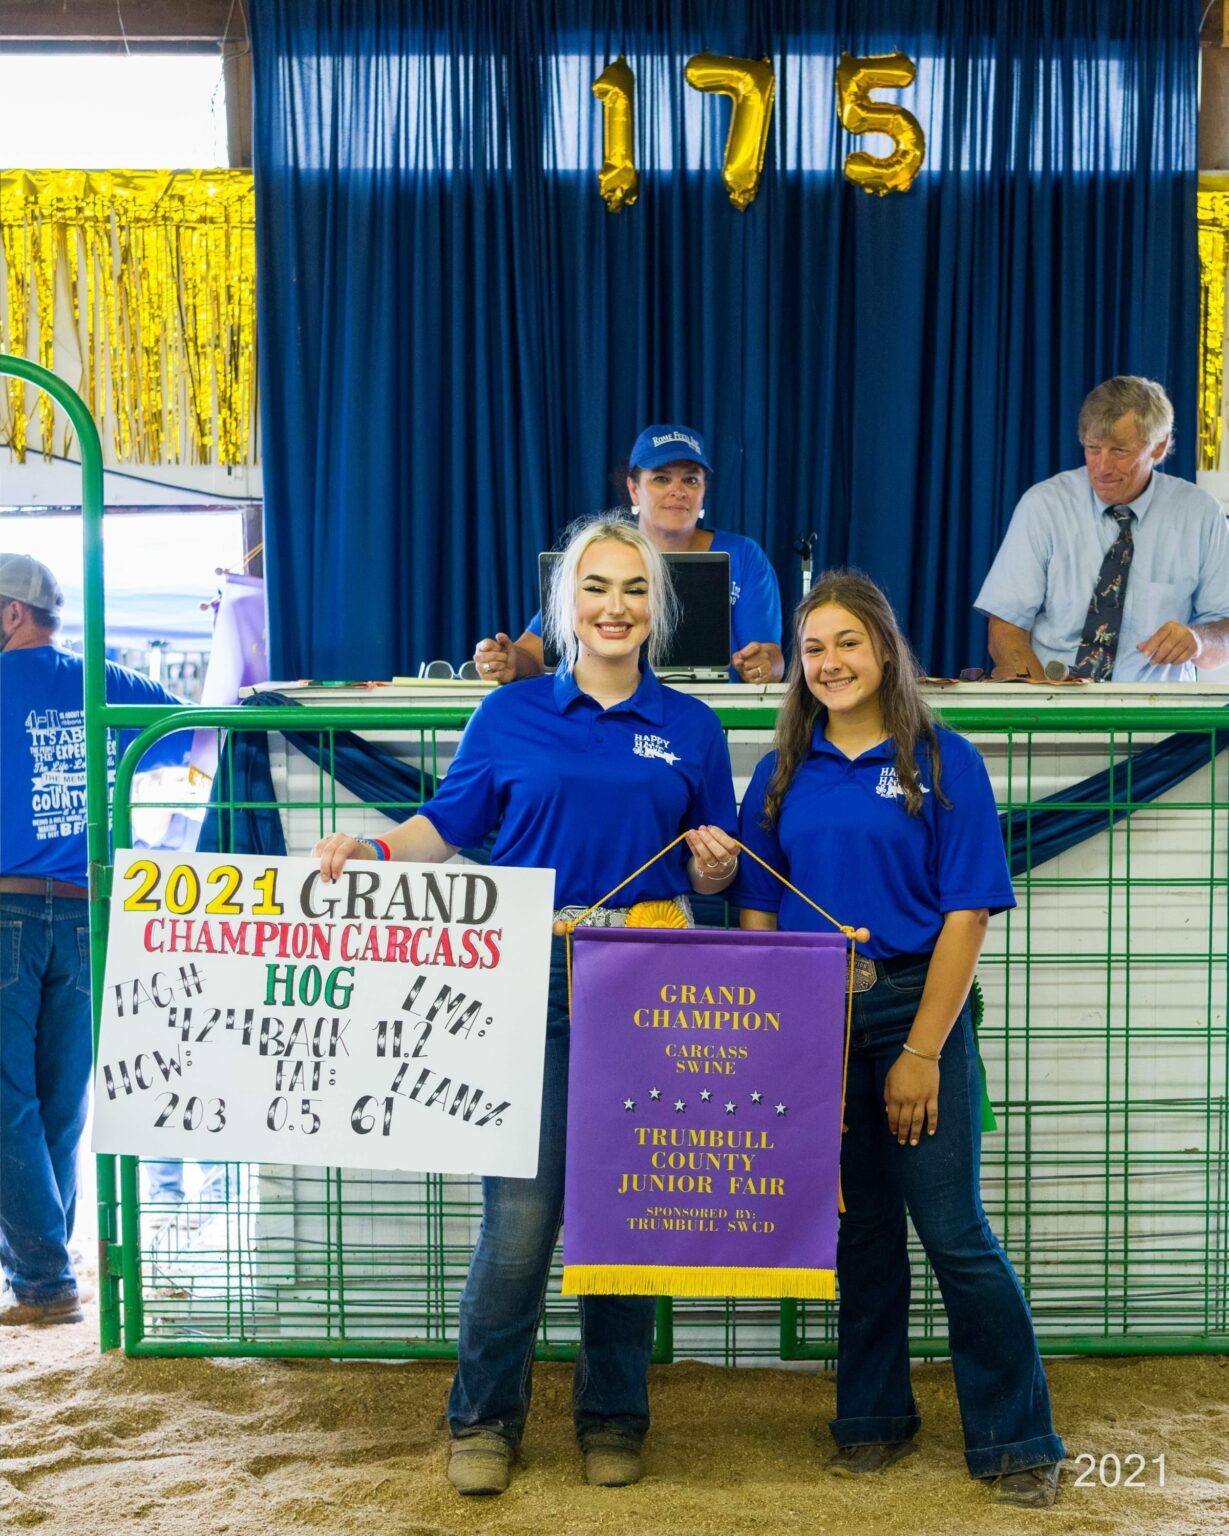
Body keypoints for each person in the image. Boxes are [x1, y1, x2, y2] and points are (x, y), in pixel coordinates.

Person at [315, 517, 739, 1495]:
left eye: (634, 591)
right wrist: (370, 852)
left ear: (658, 609)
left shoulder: (693, 728)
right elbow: (448, 825)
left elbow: (708, 858)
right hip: (524, 980)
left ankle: (613, 1419)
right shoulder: (506, 717)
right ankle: (483, 1420)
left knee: (623, 1214)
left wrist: (710, 863)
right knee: (520, 1219)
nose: (614, 608)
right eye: (596, 588)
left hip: (647, 983)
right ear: (565, 606)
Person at [736, 570, 1065, 1508]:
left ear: (883, 650)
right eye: (813, 648)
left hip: (918, 1009)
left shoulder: (941, 756)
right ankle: (872, 1419)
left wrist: (921, 1051)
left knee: (952, 1231)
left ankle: (1016, 1439)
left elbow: (967, 914)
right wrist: (782, 1036)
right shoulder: (780, 771)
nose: (830, 662)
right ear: (799, 667)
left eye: (846, 642)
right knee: (860, 1229)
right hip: (814, 1019)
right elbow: (758, 912)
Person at [0, 554, 186, 1326]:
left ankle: (44, 1280)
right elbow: (186, 734)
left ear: (11, 614)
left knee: (9, 1100)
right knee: (60, 1098)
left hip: (5, 907)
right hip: (89, 911)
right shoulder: (109, 682)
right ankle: (51, 1265)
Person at [473, 424, 784, 685]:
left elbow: (771, 656)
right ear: (634, 489)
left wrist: (763, 665)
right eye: (661, 478)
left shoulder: (744, 556)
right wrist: (508, 661)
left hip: (719, 714)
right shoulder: (599, 552)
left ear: (703, 491)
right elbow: (534, 651)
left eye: (691, 479)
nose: (678, 490)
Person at [975, 375, 1229, 682]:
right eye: (1093, 448)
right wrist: (1044, 702)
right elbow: (1005, 628)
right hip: (1052, 709)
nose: (1102, 467)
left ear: (1159, 447)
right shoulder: (1044, 505)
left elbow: (1223, 635)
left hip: (1161, 720)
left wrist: (1198, 640)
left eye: (1120, 451)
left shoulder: (1201, 513)